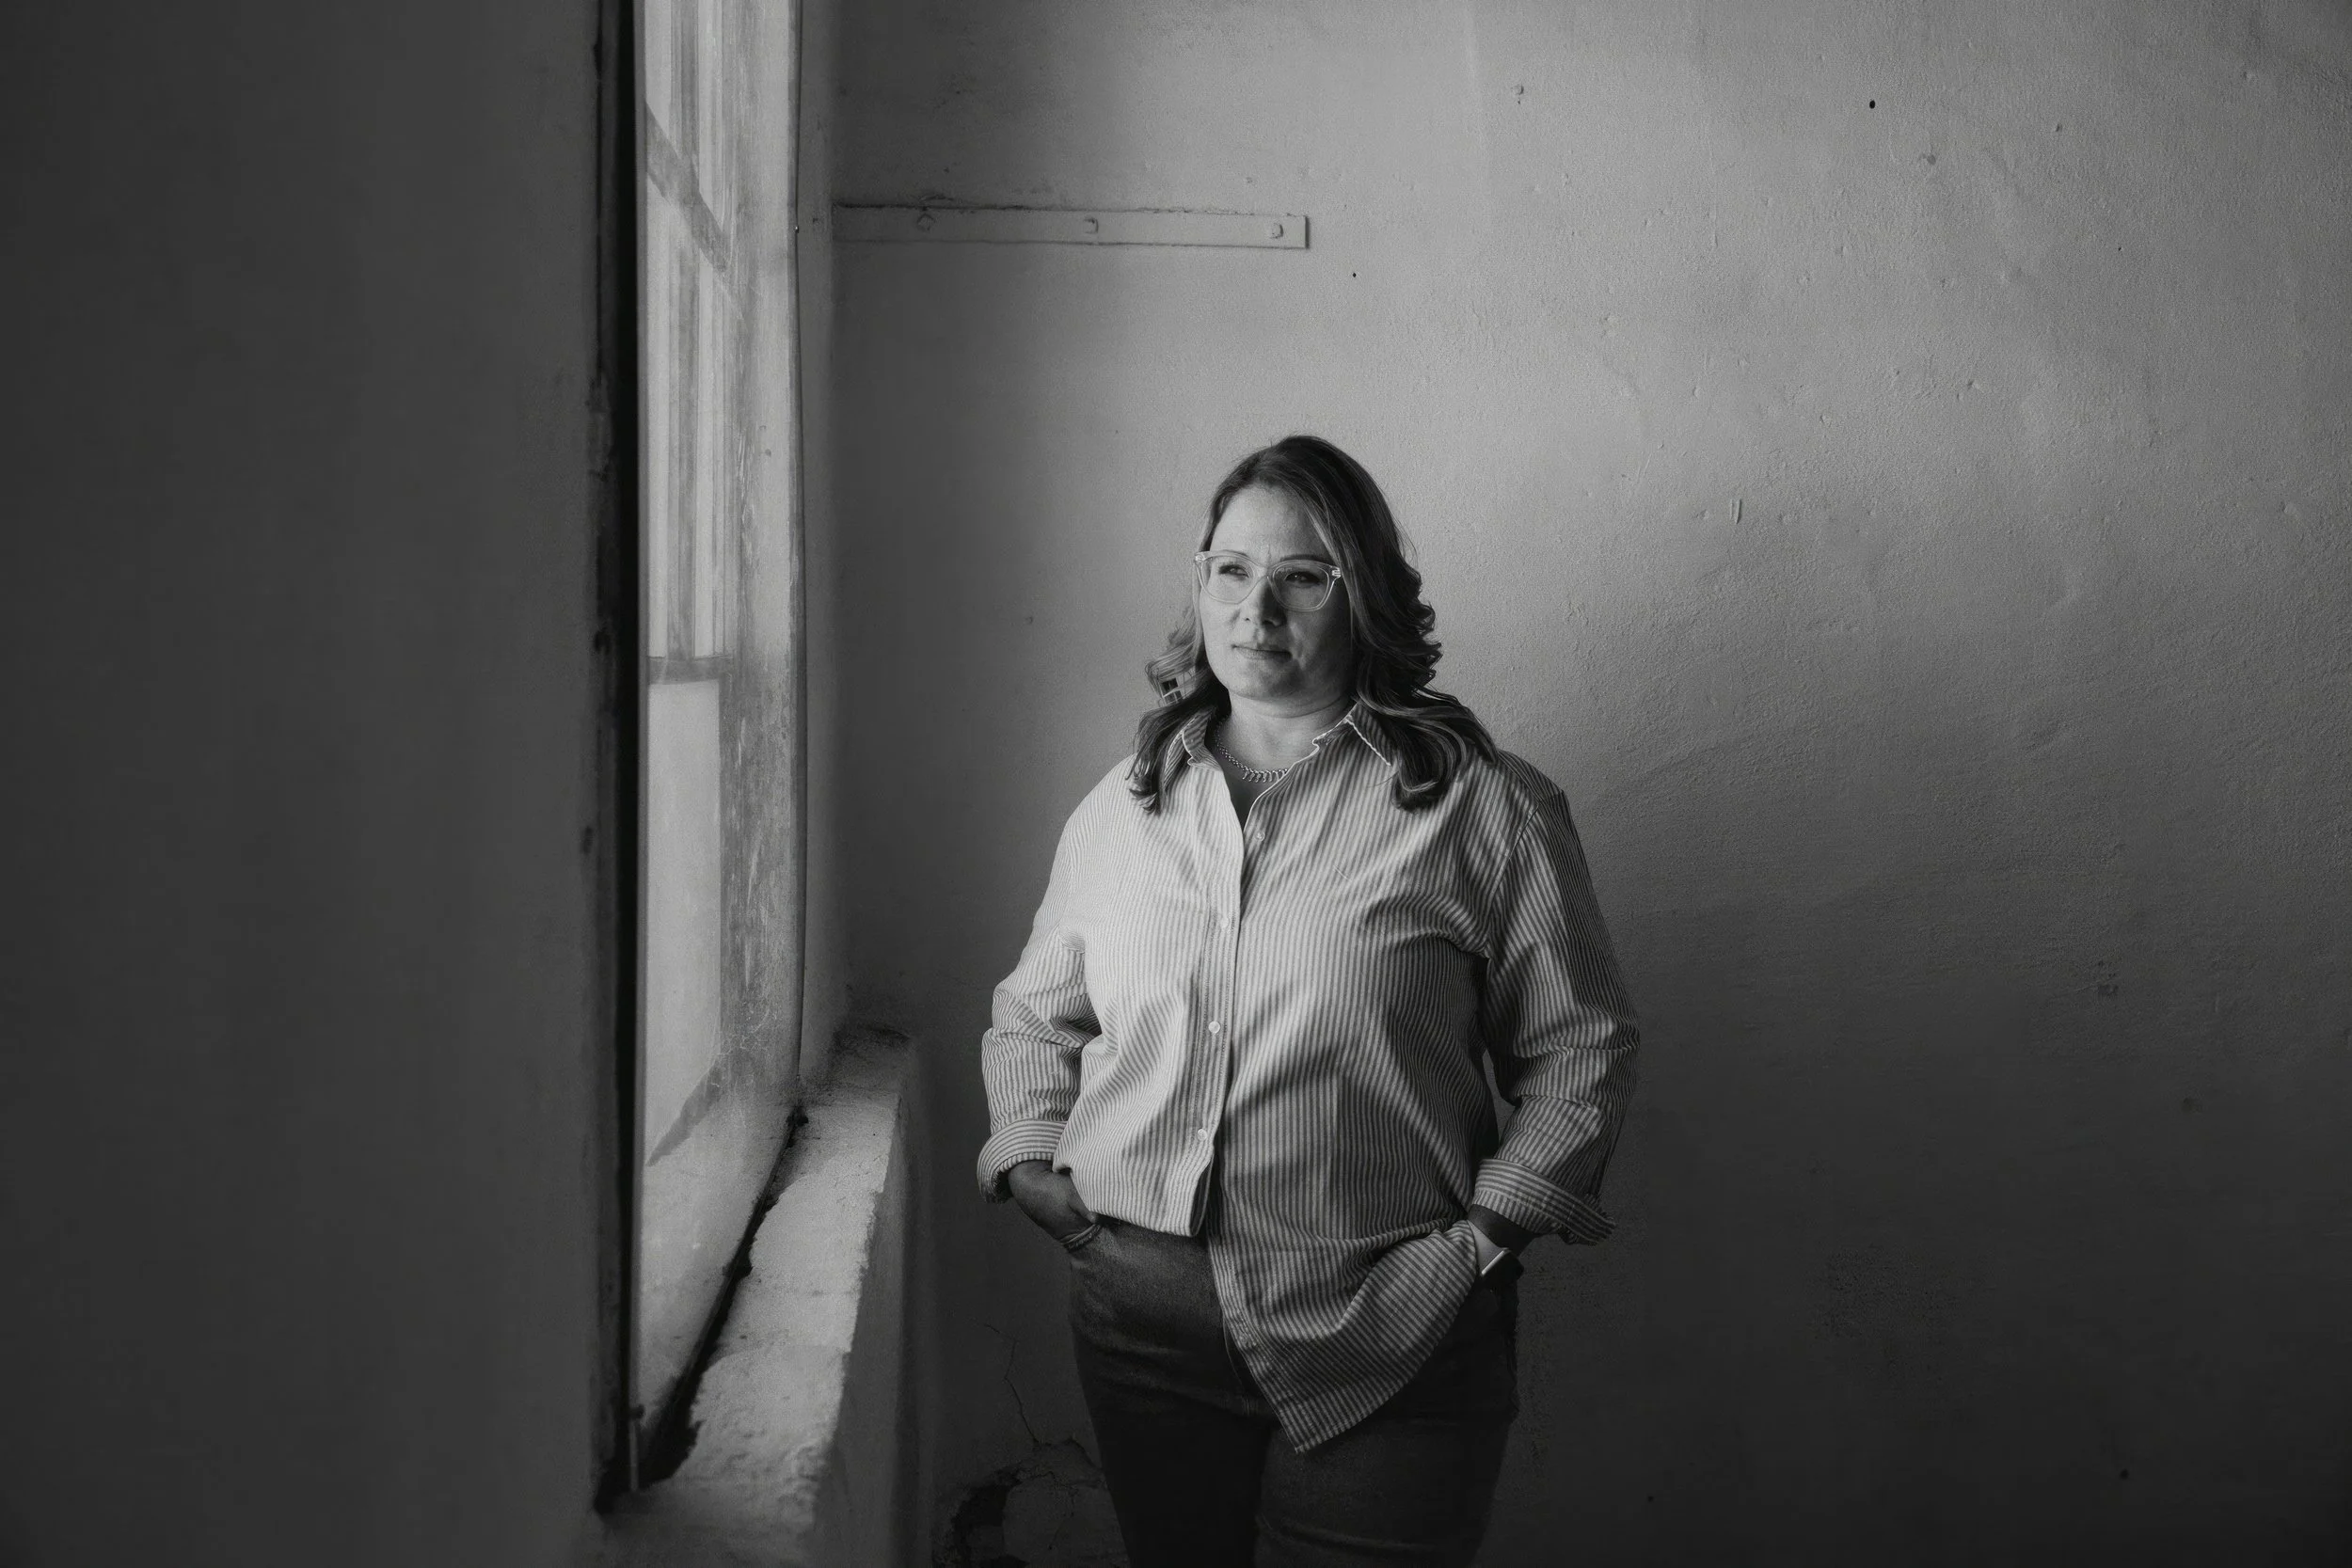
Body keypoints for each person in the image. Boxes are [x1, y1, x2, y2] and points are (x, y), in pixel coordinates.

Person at [976, 435, 1640, 1567]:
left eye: (1301, 575)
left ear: (1363, 594)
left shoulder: (1484, 809)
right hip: (1140, 1320)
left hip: (1393, 1320)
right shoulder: (1125, 807)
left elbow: (1579, 1048)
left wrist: (1480, 1242)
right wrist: (1038, 1164)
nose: (1255, 610)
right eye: (1230, 570)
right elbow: (1039, 1011)